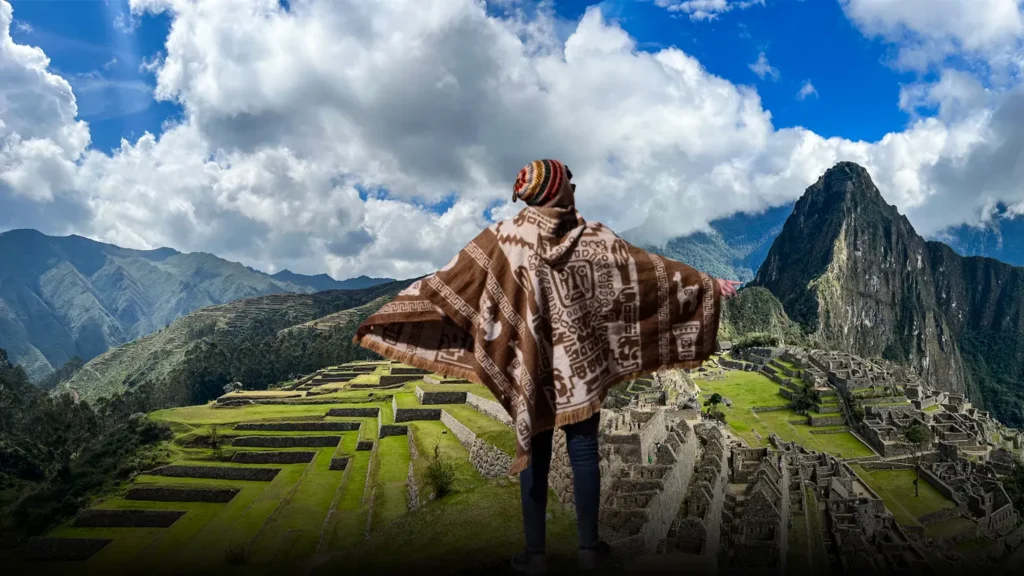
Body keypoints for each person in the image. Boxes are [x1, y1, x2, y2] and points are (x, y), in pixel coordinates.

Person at [352, 159, 740, 575]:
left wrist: (396, 313)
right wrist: (704, 283)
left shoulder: (502, 239)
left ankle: (535, 556)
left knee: (535, 452)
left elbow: (451, 282)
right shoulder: (595, 239)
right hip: (582, 367)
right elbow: (648, 272)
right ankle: (589, 550)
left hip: (530, 361)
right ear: (555, 189)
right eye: (569, 180)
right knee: (585, 450)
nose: (575, 184)